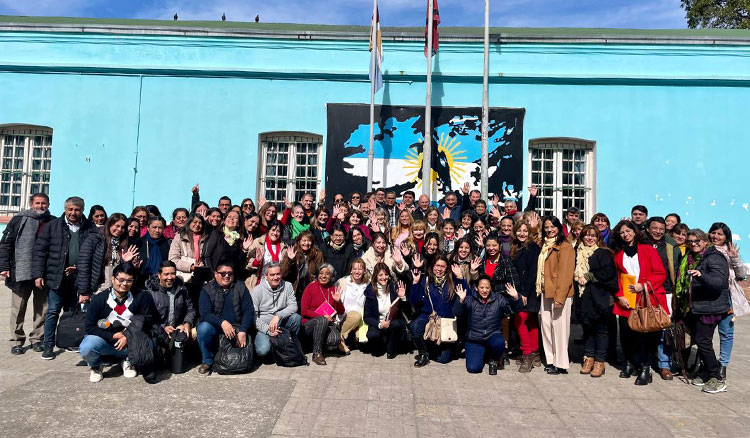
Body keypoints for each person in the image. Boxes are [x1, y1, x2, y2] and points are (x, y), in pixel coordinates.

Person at [33, 196, 96, 360]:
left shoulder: (90, 228)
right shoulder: (53, 226)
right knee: (53, 311)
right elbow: (40, 251)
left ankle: (68, 341)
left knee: (71, 312)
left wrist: (79, 269)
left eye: (77, 210)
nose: (73, 213)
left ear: (82, 210)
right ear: (65, 209)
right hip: (56, 277)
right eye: (70, 209)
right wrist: (38, 274)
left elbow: (93, 254)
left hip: (78, 277)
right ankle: (48, 345)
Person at [79, 263, 158, 383]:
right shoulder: (99, 299)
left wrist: (127, 336)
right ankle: (96, 365)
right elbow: (89, 327)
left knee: (149, 345)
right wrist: (112, 336)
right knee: (87, 346)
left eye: (129, 281)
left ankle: (128, 361)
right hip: (106, 341)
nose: (124, 284)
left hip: (131, 341)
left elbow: (147, 321)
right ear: (112, 279)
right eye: (121, 280)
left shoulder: (142, 296)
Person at [611, 220, 668, 385]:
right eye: (622, 232)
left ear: (635, 232)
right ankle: (629, 363)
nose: (625, 234)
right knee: (627, 334)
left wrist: (643, 286)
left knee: (647, 335)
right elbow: (616, 278)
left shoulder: (648, 250)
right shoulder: (618, 254)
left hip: (647, 298)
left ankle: (645, 368)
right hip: (626, 300)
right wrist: (619, 295)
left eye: (628, 231)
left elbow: (660, 273)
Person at [0, 193, 54, 355]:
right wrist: (3, 265)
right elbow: (5, 244)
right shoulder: (18, 220)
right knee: (18, 308)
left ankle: (37, 339)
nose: (40, 206)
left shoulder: (52, 221)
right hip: (20, 271)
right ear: (31, 203)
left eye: (44, 203)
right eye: (37, 203)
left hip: (43, 273)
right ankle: (17, 340)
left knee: (42, 308)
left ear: (48, 204)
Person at [683, 229, 730, 394]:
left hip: (710, 308)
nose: (693, 244)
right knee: (702, 340)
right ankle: (705, 374)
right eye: (690, 241)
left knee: (703, 341)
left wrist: (701, 275)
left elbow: (718, 283)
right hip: (700, 306)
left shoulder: (714, 258)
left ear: (705, 241)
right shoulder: (696, 257)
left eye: (697, 241)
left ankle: (716, 377)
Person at [574, 225, 618, 378]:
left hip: (601, 296)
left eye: (593, 235)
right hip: (584, 296)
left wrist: (588, 276)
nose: (590, 238)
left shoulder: (603, 253)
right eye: (587, 235)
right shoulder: (577, 252)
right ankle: (589, 357)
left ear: (598, 237)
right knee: (587, 329)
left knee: (601, 330)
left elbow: (608, 273)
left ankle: (600, 361)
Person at [454, 276, 521, 374]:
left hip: (492, 335)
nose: (484, 290)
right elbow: (457, 313)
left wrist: (515, 298)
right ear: (476, 288)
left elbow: (512, 310)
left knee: (499, 342)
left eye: (487, 288)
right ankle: (483, 354)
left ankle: (494, 359)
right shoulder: (469, 299)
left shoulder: (498, 299)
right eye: (482, 288)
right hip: (474, 339)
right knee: (474, 368)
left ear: (491, 288)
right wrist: (461, 301)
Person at [196, 262, 254, 375]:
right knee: (203, 328)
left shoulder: (240, 287)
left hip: (237, 327)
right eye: (223, 273)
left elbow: (249, 310)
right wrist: (222, 322)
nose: (226, 276)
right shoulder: (207, 289)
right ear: (215, 274)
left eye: (229, 273)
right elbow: (205, 313)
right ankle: (207, 361)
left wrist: (243, 330)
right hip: (216, 327)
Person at [409, 255, 468, 367]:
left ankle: (435, 348)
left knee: (443, 359)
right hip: (429, 316)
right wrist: (415, 283)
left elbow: (468, 295)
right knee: (415, 326)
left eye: (442, 266)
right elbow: (413, 300)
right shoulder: (426, 280)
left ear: (447, 268)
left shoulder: (453, 281)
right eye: (437, 266)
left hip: (446, 320)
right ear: (432, 266)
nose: (439, 269)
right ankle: (423, 353)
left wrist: (460, 277)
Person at [708, 222, 749, 380]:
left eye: (720, 234)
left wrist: (735, 258)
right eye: (713, 233)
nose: (715, 237)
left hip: (727, 299)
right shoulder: (705, 249)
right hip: (708, 298)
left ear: (726, 237)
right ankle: (708, 363)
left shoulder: (730, 252)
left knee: (726, 333)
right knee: (706, 334)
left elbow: (741, 275)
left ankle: (723, 365)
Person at [536, 216, 575, 375]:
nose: (549, 230)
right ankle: (551, 359)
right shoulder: (544, 245)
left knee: (560, 329)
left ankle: (561, 363)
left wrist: (560, 297)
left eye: (552, 227)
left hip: (560, 294)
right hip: (545, 291)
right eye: (546, 227)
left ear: (559, 228)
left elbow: (566, 274)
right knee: (546, 327)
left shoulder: (565, 247)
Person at [143, 260, 196, 372]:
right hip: (159, 331)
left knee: (198, 331)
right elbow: (147, 317)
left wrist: (186, 323)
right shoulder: (150, 292)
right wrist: (162, 327)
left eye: (173, 273)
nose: (170, 277)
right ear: (159, 275)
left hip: (178, 330)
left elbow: (191, 310)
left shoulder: (182, 289)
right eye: (166, 274)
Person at [645, 216, 681, 380]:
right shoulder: (640, 243)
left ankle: (664, 365)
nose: (658, 231)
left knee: (663, 329)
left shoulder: (670, 245)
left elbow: (677, 268)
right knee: (643, 325)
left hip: (665, 291)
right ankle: (644, 361)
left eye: (661, 228)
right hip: (643, 291)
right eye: (655, 228)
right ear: (648, 228)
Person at [77, 213, 140, 297]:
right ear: (109, 224)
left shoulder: (124, 243)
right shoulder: (94, 238)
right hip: (97, 290)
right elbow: (83, 265)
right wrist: (84, 292)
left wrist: (125, 262)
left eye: (123, 227)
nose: (119, 229)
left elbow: (122, 270)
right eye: (117, 226)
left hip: (116, 291)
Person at [250, 262, 301, 361]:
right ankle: (275, 349)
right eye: (272, 275)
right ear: (265, 276)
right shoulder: (257, 291)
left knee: (296, 318)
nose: (275, 277)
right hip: (264, 325)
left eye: (278, 274)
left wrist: (278, 315)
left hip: (281, 322)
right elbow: (253, 316)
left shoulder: (288, 286)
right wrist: (268, 330)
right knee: (262, 351)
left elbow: (293, 306)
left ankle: (290, 347)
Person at [510, 220, 542, 372]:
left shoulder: (532, 248)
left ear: (529, 233)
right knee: (530, 321)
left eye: (525, 231)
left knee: (520, 320)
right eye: (519, 231)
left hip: (527, 291)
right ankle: (535, 352)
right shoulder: (516, 247)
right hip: (520, 290)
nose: (522, 233)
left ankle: (527, 353)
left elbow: (532, 273)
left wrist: (523, 292)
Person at [299, 263, 345, 365]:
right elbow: (304, 310)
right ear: (318, 274)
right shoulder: (310, 287)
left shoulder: (333, 290)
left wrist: (338, 301)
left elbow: (341, 312)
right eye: (321, 273)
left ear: (332, 276)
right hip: (309, 324)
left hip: (327, 325)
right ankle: (317, 353)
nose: (323, 276)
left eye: (327, 274)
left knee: (335, 339)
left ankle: (314, 344)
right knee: (322, 320)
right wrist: (322, 316)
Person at [363, 264, 407, 358]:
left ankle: (391, 349)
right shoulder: (370, 292)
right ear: (375, 277)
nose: (384, 277)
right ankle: (380, 345)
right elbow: (367, 317)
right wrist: (380, 324)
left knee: (396, 324)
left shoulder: (394, 288)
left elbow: (404, 309)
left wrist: (402, 297)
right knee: (373, 337)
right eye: (380, 275)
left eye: (386, 274)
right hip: (379, 323)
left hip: (392, 322)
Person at [336, 258, 369, 354]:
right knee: (355, 315)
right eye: (354, 269)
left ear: (364, 271)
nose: (357, 272)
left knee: (362, 338)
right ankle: (339, 339)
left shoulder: (368, 284)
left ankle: (353, 338)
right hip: (345, 315)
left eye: (360, 269)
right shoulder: (343, 282)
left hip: (361, 318)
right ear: (351, 270)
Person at [282, 230, 324, 304]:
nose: (306, 243)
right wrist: (290, 260)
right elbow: (283, 273)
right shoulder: (291, 252)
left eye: (309, 240)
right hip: (295, 289)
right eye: (304, 240)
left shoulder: (317, 254)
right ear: (298, 242)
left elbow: (320, 272)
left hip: (310, 289)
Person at [245, 221, 287, 288]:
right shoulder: (258, 243)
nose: (275, 233)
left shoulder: (284, 247)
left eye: (278, 231)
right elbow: (246, 264)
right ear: (268, 231)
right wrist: (256, 261)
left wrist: (290, 260)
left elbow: (285, 270)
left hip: (276, 284)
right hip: (258, 283)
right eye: (273, 230)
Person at [204, 209, 247, 274]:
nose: (231, 219)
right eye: (229, 217)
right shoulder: (216, 234)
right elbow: (206, 255)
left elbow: (239, 264)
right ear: (224, 221)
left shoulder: (239, 240)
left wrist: (244, 250)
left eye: (235, 218)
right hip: (214, 276)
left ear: (238, 223)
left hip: (230, 277)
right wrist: (212, 274)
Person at [138, 216, 170, 282]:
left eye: (160, 228)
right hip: (142, 282)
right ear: (148, 228)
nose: (157, 230)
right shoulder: (139, 242)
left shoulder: (168, 243)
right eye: (154, 227)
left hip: (162, 282)